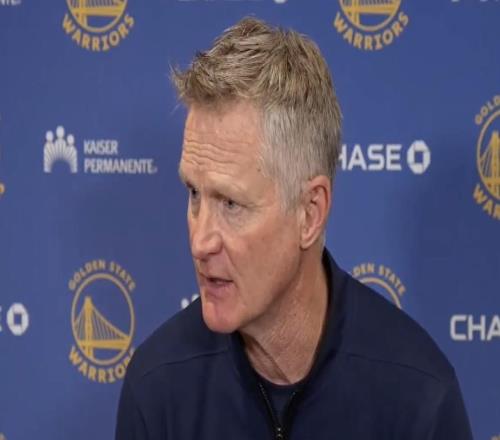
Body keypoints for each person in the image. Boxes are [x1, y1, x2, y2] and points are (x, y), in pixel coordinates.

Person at [115, 17, 473, 439]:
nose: (200, 241)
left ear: (310, 212)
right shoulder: (157, 386)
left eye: (230, 203)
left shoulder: (418, 396)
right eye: (194, 194)